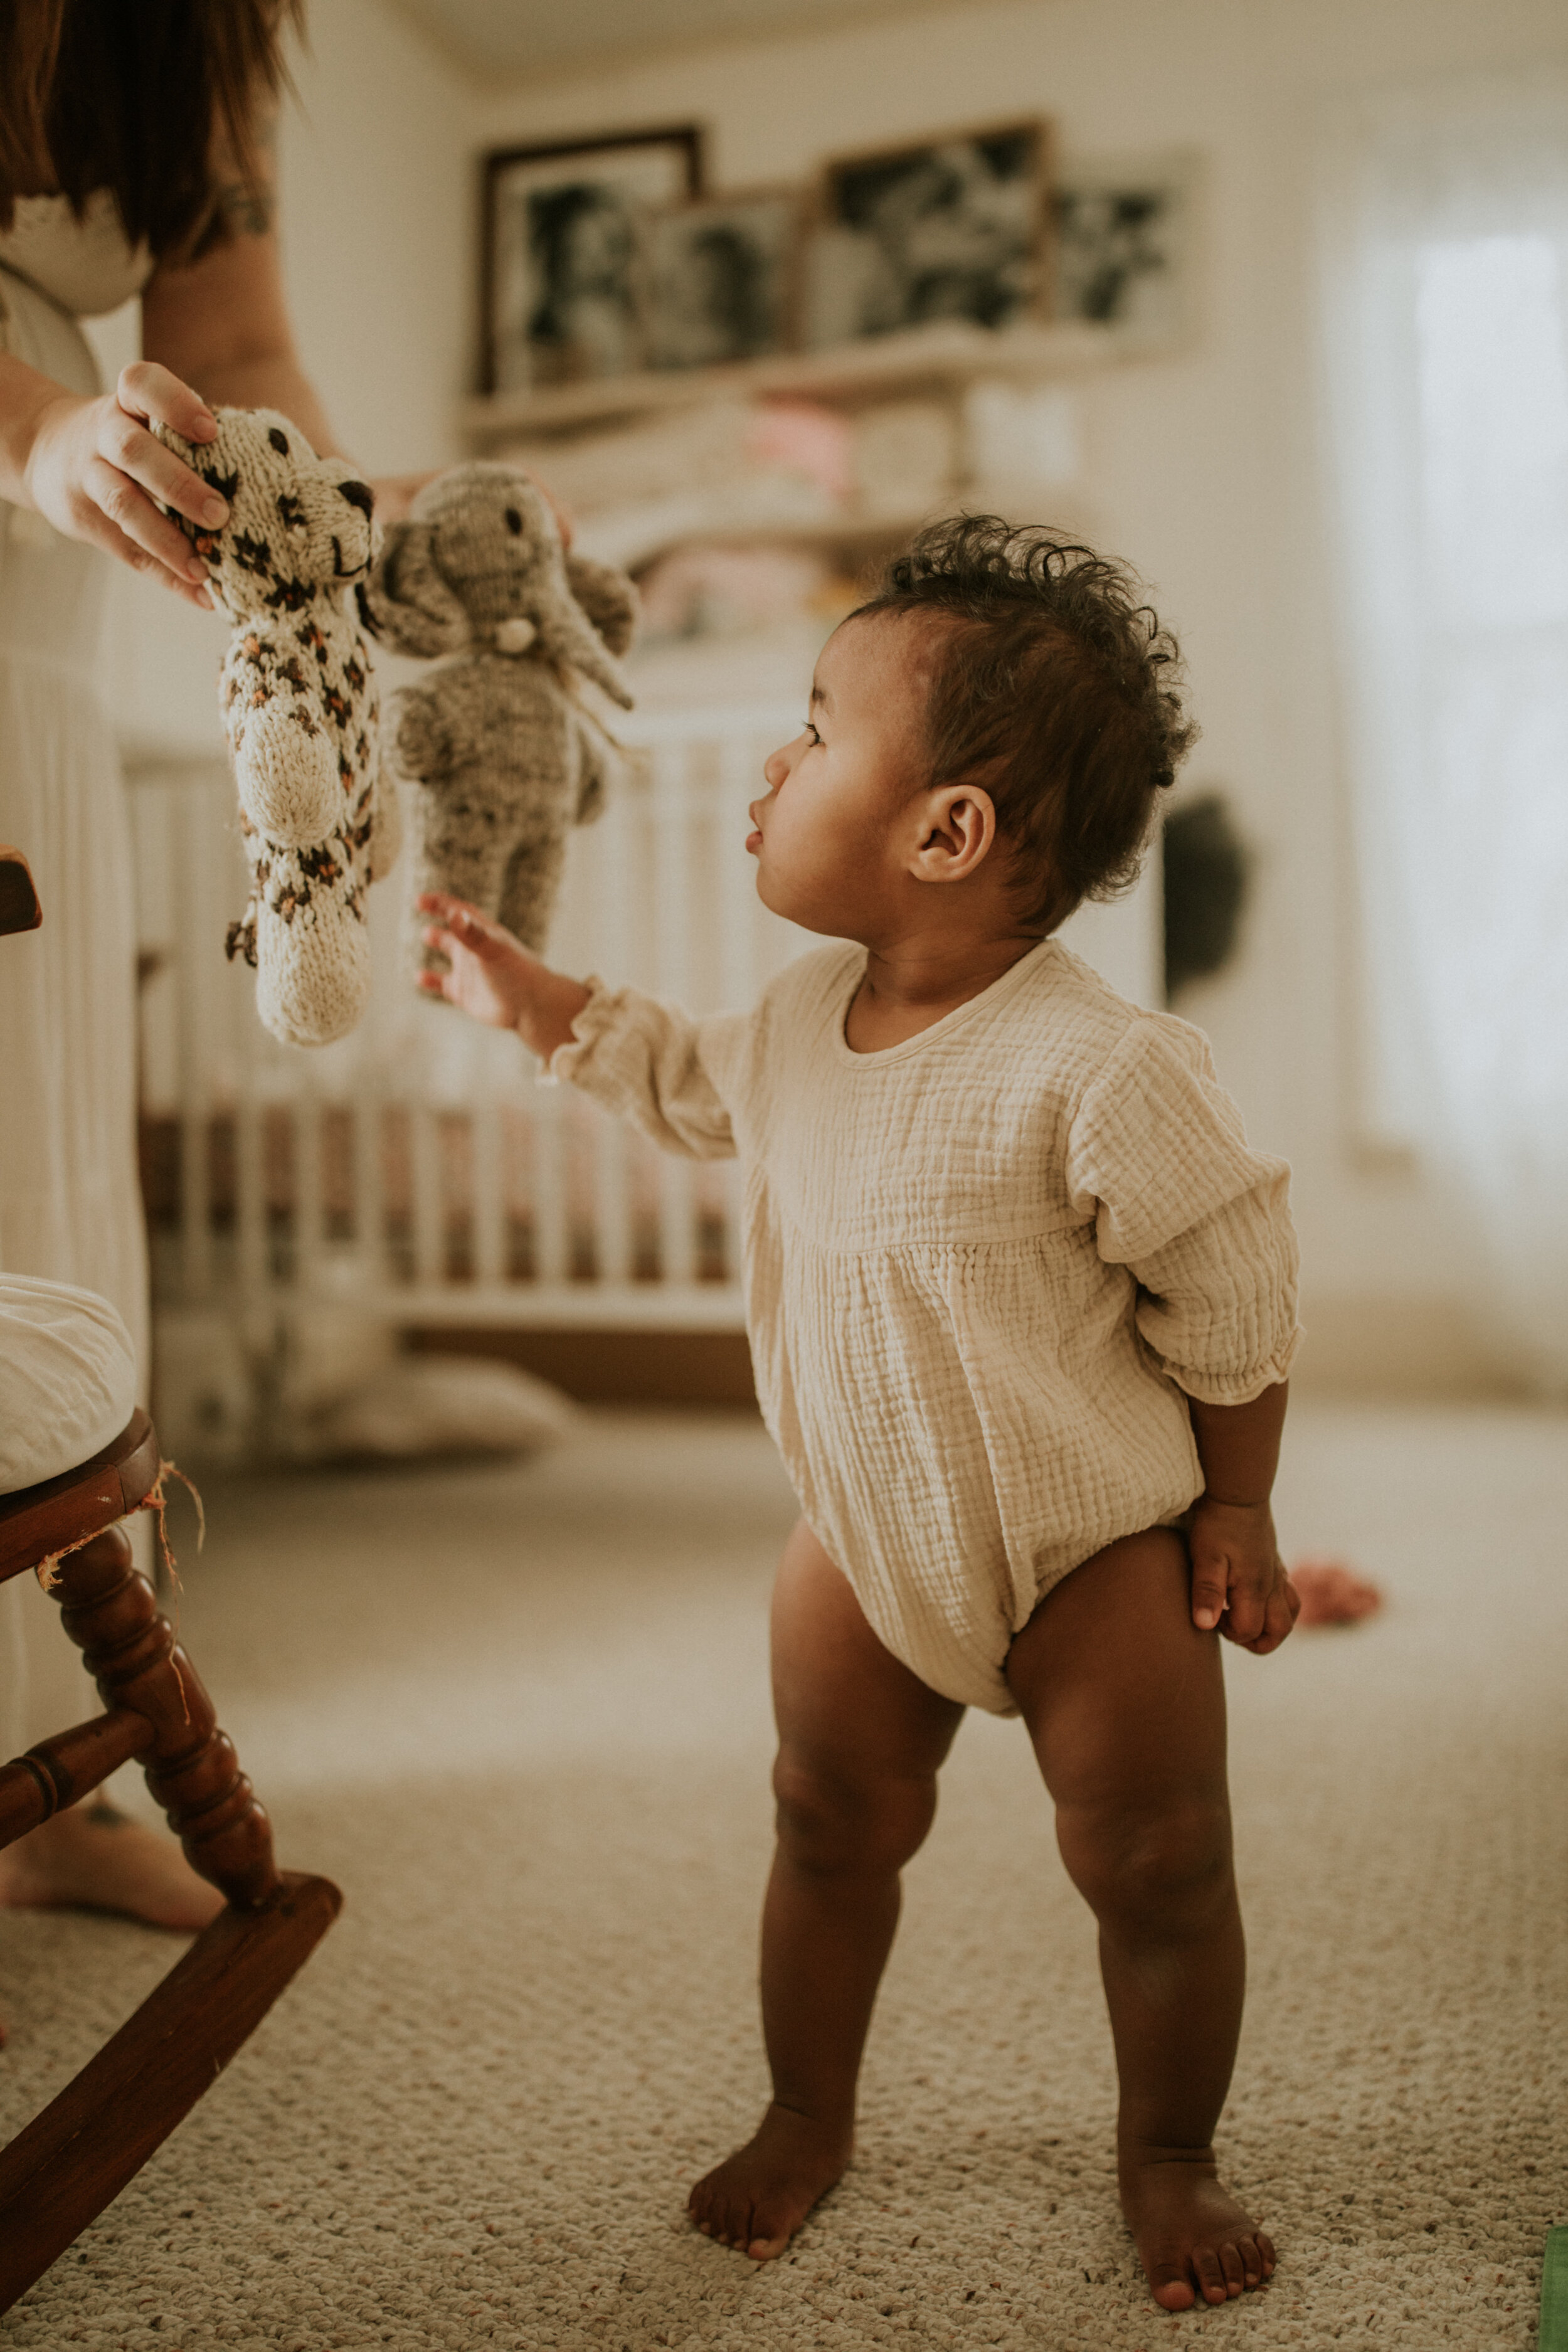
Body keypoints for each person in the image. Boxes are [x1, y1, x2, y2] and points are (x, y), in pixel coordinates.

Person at [416, 515, 1303, 2316]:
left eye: (813, 729)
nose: (770, 759)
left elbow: (1230, 1290)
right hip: (861, 1530)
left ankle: (1165, 2150)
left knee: (1157, 1860)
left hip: (1089, 1543)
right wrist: (535, 1005)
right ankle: (805, 2106)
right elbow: (675, 1074)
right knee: (822, 1819)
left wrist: (1231, 1513)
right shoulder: (799, 1016)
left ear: (945, 831)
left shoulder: (1099, 1067)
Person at [0, 0, 416, 1926]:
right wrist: (40, 425)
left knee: (54, 1170)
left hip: (39, 635)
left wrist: (353, 521)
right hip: (35, 475)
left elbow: (234, 345)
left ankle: (33, 1780)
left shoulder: (191, 31)